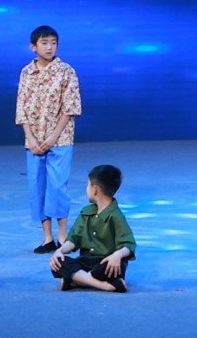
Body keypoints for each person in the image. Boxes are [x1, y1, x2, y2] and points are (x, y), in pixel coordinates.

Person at [16, 24, 82, 253]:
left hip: (60, 139)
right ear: (33, 47)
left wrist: (53, 137)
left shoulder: (66, 71)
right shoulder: (26, 72)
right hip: (34, 141)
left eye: (53, 43)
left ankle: (63, 235)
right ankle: (47, 238)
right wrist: (30, 137)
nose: (49, 47)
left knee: (58, 187)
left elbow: (70, 107)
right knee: (38, 187)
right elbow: (21, 107)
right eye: (44, 43)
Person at [50, 164, 136, 292]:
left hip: (107, 263)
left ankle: (76, 280)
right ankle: (104, 285)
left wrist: (117, 255)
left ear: (95, 189)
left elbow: (128, 244)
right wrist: (60, 251)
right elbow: (74, 239)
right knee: (58, 263)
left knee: (107, 269)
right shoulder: (86, 212)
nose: (86, 189)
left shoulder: (116, 216)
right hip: (86, 261)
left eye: (88, 185)